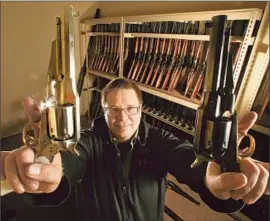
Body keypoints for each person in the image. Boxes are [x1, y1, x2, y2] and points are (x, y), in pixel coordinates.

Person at [2, 78, 269, 221]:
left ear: (141, 109)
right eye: (114, 110)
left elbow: (187, 159)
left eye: (131, 109)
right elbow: (70, 159)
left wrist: (214, 181)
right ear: (103, 112)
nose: (123, 117)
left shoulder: (158, 140)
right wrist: (49, 164)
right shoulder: (89, 140)